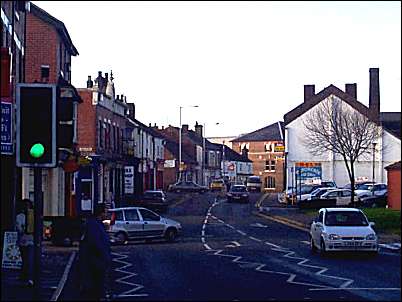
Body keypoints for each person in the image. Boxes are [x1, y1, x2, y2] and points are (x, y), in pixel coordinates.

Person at [79, 204, 112, 300]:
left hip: (97, 263)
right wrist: (105, 259)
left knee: (97, 290)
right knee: (96, 290)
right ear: (101, 214)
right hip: (96, 264)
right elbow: (97, 244)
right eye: (106, 212)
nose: (107, 215)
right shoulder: (94, 226)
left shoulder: (96, 224)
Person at [16, 199, 34, 287]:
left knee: (29, 259)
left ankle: (29, 277)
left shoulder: (32, 216)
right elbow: (20, 229)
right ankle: (25, 275)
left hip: (30, 240)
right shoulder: (20, 217)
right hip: (24, 241)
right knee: (25, 259)